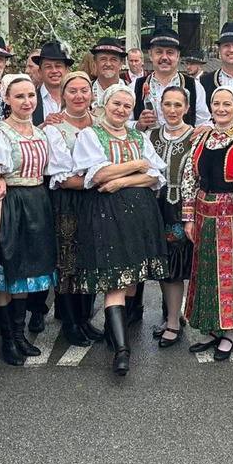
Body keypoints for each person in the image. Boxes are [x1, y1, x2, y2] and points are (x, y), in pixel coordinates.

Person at [72, 84, 169, 375]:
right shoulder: (91, 135)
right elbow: (98, 175)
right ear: (104, 104)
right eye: (117, 104)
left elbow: (155, 176)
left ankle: (118, 336)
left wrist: (123, 180)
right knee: (115, 278)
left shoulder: (139, 136)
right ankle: (122, 351)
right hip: (106, 212)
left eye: (127, 106)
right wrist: (137, 165)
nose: (121, 110)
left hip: (139, 211)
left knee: (132, 277)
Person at [0, 75, 73, 364]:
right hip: (11, 202)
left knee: (25, 271)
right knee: (8, 268)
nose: (26, 102)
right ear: (7, 100)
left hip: (37, 200)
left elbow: (55, 169)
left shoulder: (41, 133)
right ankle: (8, 339)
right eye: (19, 96)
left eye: (30, 96)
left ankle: (20, 335)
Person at [181, 86, 233, 361]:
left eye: (227, 103)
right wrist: (189, 216)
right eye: (216, 103)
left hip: (230, 217)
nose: (221, 108)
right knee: (206, 273)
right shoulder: (202, 139)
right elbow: (189, 179)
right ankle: (211, 329)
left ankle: (228, 332)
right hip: (204, 215)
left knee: (229, 274)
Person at [46, 71, 101, 345]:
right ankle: (69, 321)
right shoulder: (54, 129)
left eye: (84, 90)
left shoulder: (100, 123)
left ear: (91, 94)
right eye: (73, 91)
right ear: (64, 95)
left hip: (96, 199)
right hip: (69, 201)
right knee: (68, 261)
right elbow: (63, 177)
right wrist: (101, 178)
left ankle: (84, 318)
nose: (79, 96)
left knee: (90, 258)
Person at [146, 85, 197, 348]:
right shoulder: (150, 134)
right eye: (168, 104)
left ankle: (175, 322)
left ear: (187, 108)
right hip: (156, 206)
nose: (173, 110)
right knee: (164, 264)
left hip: (183, 206)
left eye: (178, 105)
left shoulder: (196, 136)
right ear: (160, 106)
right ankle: (172, 316)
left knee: (177, 266)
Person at [133, 26, 211, 130]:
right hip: (146, 145)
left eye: (170, 52)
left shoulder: (194, 86)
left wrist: (205, 129)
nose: (164, 57)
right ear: (151, 55)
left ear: (178, 56)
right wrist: (139, 125)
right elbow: (124, 123)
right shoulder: (135, 86)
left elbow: (204, 122)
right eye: (159, 52)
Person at [32, 40, 73, 125]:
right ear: (40, 71)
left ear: (67, 70)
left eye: (58, 66)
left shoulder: (77, 98)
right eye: (48, 67)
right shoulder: (31, 99)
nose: (54, 71)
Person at [91, 37, 131, 111]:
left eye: (113, 59)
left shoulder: (132, 89)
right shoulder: (86, 91)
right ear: (94, 63)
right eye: (103, 59)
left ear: (121, 64)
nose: (108, 64)